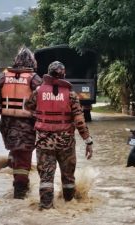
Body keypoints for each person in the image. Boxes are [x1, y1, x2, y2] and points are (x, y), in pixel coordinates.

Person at [25, 61, 93, 210]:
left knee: (46, 179)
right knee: (68, 178)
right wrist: (88, 141)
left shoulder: (38, 92)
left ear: (48, 74)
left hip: (44, 142)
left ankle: (46, 208)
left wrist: (40, 116)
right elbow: (80, 121)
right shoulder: (71, 94)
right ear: (64, 74)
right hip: (66, 142)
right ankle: (69, 206)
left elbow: (27, 106)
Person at [0, 47, 42, 199]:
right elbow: (42, 103)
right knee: (24, 159)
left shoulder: (3, 78)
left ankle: (18, 181)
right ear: (32, 62)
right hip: (27, 125)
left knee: (16, 152)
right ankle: (20, 192)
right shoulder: (34, 79)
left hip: (7, 125)